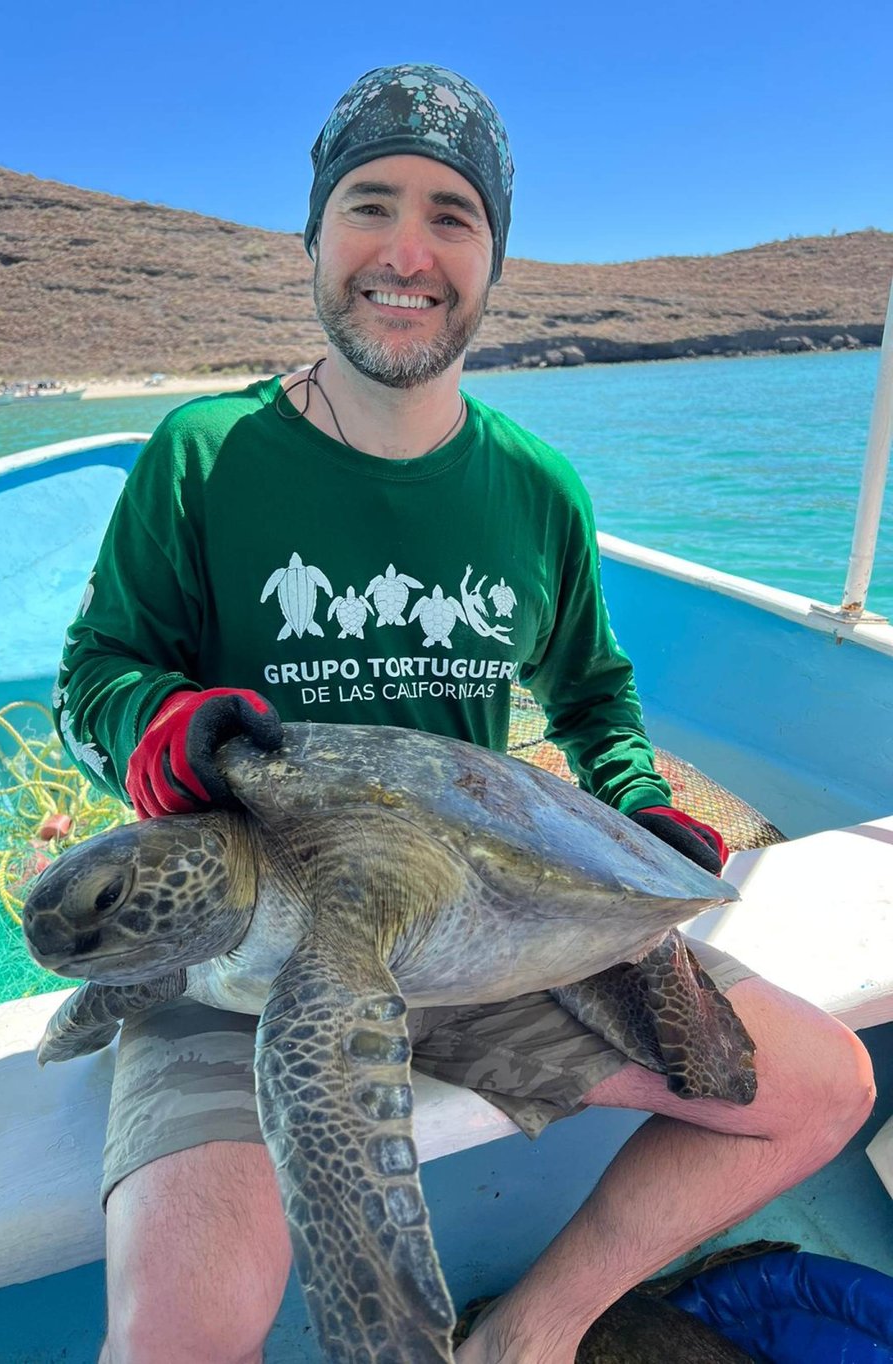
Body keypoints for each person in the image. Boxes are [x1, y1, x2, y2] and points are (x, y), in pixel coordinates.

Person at [55, 63, 875, 1364]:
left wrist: (632, 800)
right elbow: (95, 672)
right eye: (369, 203)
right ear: (314, 235)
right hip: (242, 958)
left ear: (493, 259)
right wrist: (161, 727)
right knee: (180, 1330)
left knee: (829, 1085)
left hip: (480, 923)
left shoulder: (535, 486)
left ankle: (529, 1338)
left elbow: (594, 692)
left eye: (453, 214)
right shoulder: (204, 456)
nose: (406, 249)